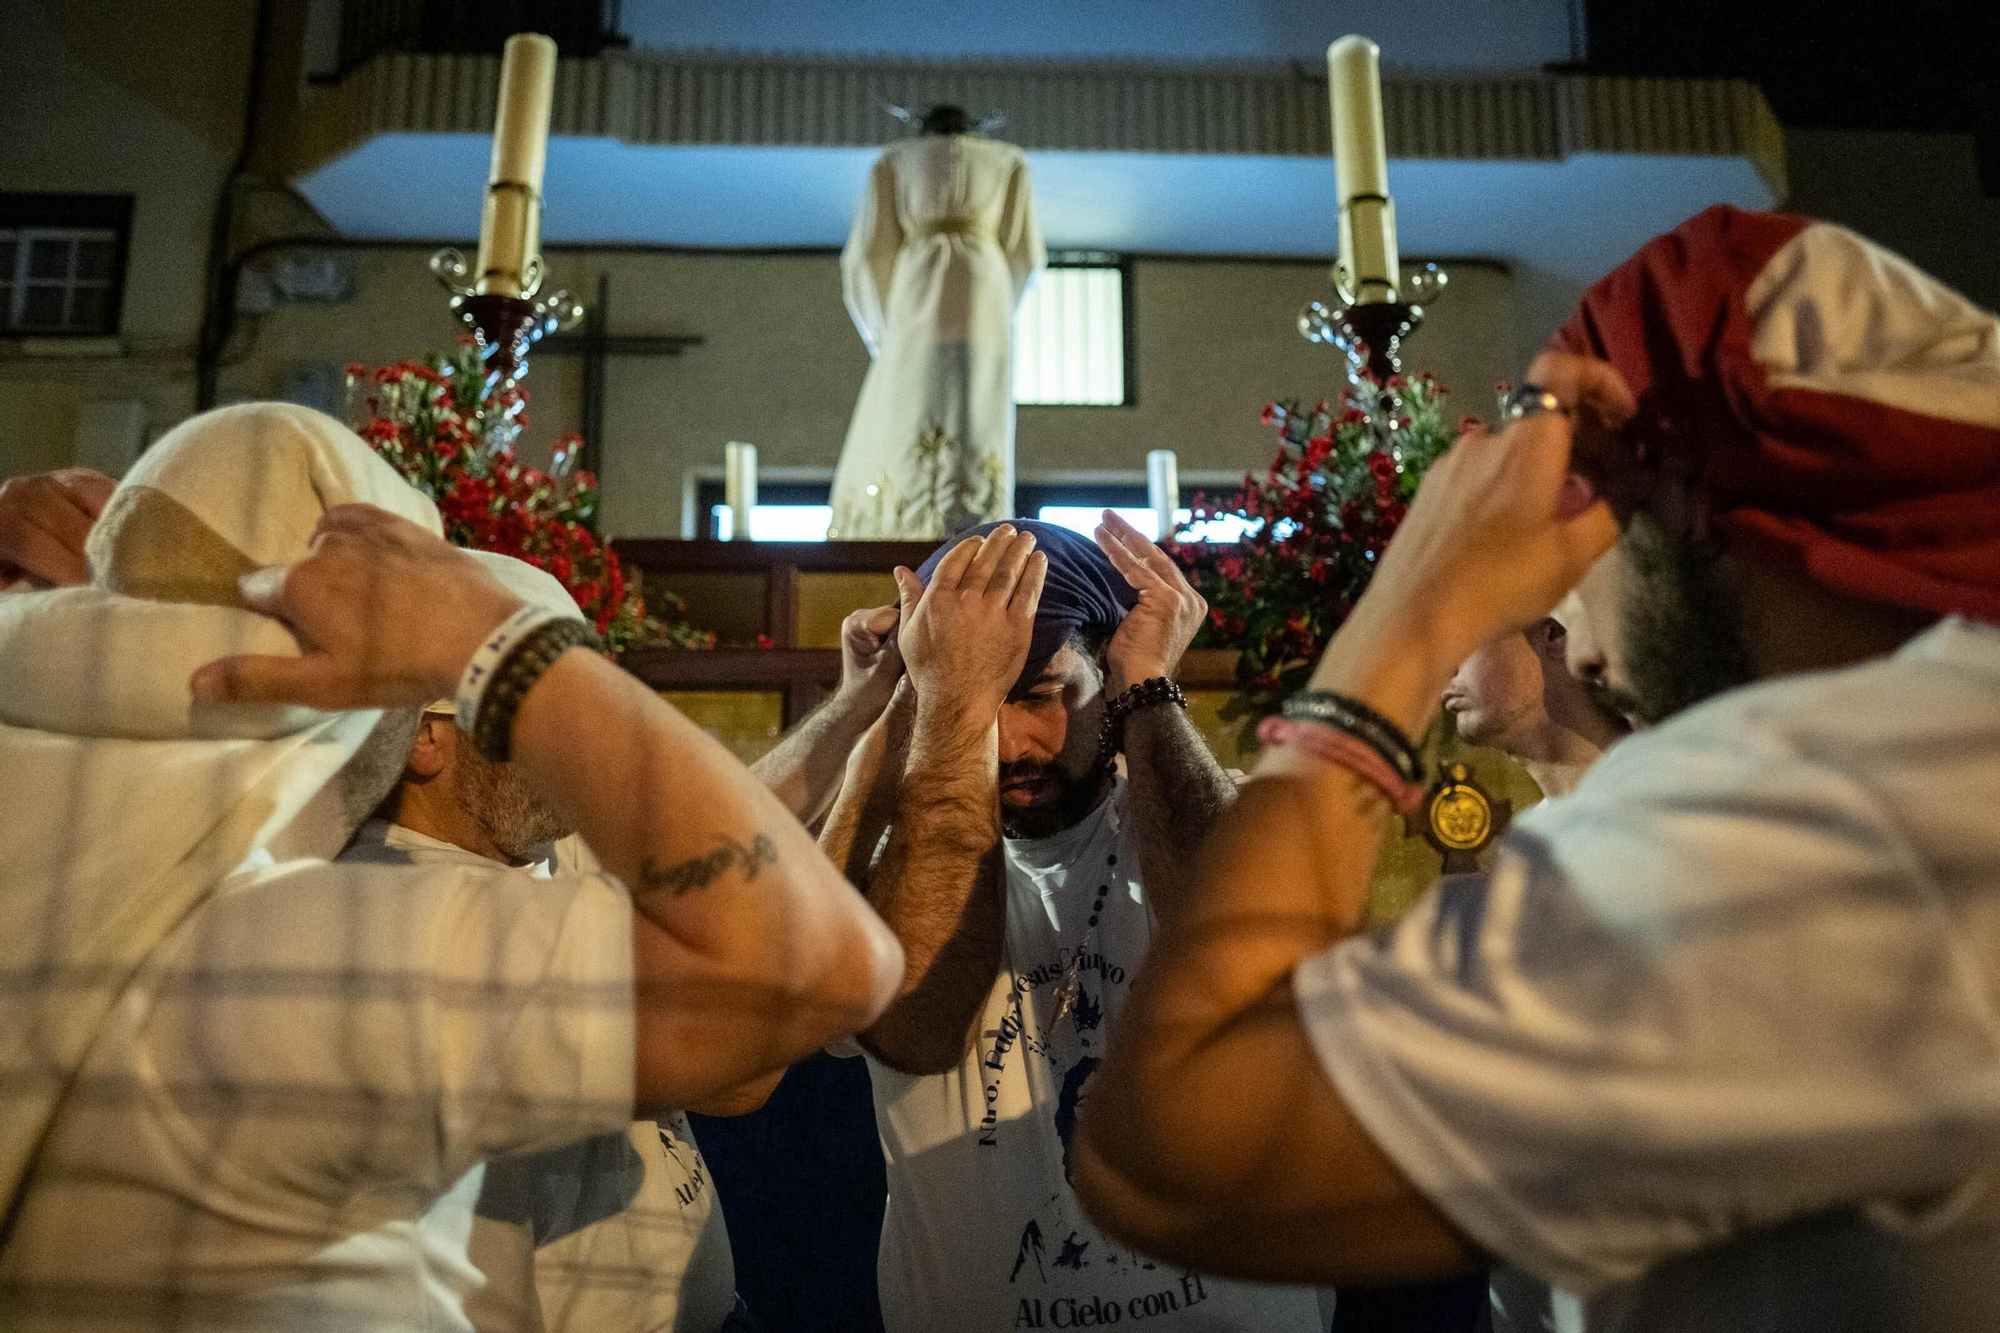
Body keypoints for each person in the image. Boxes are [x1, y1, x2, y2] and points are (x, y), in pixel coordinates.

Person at [1072, 204, 2000, 1332]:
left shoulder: (1840, 803)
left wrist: (1403, 622)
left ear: (1679, 508)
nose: (1574, 623)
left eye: (1590, 521)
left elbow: (1168, 1158)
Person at [0, 403, 902, 1328]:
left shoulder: (80, 868)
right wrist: (498, 640)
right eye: (517, 702)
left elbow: (734, 829)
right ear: (424, 739)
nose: (575, 746)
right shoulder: (332, 938)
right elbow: (799, 970)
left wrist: (858, 702)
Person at [820, 516, 1330, 1332]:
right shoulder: (887, 865)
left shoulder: (1197, 810)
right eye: (979, 698)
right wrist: (939, 706)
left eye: (1040, 693)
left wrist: (1150, 681)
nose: (1009, 741)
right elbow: (915, 1027)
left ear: (1108, 674)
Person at [827, 103, 1045, 538]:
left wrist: (881, 330)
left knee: (912, 389)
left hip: (917, 284)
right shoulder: (1008, 160)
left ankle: (910, 512)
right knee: (975, 393)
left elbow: (869, 253)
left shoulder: (893, 160)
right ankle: (971, 511)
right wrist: (1005, 309)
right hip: (985, 285)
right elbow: (1026, 253)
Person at [1444, 616, 1629, 798]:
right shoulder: (1536, 826)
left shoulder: (1648, 794)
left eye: (1462, 642)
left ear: (1553, 636)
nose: (1446, 671)